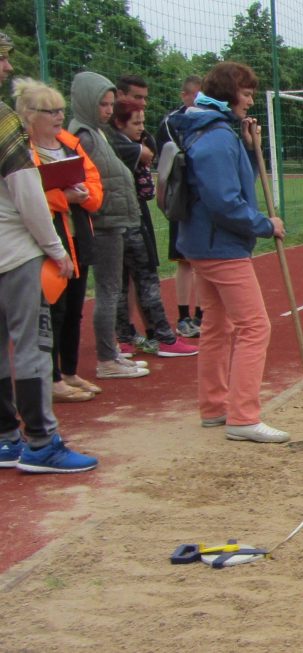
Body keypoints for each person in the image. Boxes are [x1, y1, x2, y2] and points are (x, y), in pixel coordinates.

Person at [168, 61, 288, 444]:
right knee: (255, 327)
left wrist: (252, 151)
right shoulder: (217, 136)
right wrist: (265, 226)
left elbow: (235, 183)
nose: (250, 102)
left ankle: (215, 407)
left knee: (217, 326)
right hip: (221, 247)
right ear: (227, 95)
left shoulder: (211, 131)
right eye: (247, 94)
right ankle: (243, 416)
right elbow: (224, 201)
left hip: (206, 245)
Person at [0, 31, 98, 473]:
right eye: (2, 58)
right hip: (15, 253)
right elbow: (27, 194)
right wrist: (56, 249)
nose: (6, 68)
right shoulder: (4, 122)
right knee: (32, 348)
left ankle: (6, 437)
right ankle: (41, 443)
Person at [13, 77, 104, 402]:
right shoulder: (22, 149)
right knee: (54, 308)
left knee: (75, 307)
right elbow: (26, 195)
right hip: (44, 239)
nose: (57, 117)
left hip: (78, 235)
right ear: (28, 113)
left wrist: (84, 196)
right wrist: (64, 197)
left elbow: (93, 181)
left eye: (60, 110)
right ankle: (50, 379)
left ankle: (69, 371)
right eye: (49, 111)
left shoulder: (69, 143)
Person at [68, 70, 149, 379]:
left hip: (113, 220)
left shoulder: (97, 131)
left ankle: (111, 352)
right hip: (102, 223)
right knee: (108, 289)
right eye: (102, 104)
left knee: (112, 289)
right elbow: (93, 180)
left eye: (110, 103)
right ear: (88, 102)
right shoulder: (85, 135)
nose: (108, 110)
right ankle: (106, 359)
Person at [107, 98, 198, 358]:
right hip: (126, 218)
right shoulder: (116, 144)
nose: (141, 128)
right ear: (119, 123)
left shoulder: (130, 142)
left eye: (143, 122)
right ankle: (163, 338)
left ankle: (125, 339)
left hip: (128, 215)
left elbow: (151, 152)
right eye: (136, 123)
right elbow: (150, 154)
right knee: (144, 277)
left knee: (125, 281)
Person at [156, 75, 203, 339]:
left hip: (205, 200)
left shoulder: (212, 121)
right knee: (184, 261)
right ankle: (184, 317)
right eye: (194, 96)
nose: (198, 102)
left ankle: (204, 315)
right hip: (182, 199)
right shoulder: (171, 122)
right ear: (184, 96)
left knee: (208, 261)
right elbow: (178, 155)